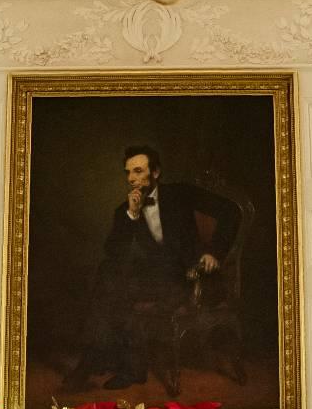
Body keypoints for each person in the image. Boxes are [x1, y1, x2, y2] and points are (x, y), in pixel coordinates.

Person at [67, 144, 242, 391]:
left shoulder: (180, 193)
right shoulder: (125, 210)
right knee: (109, 276)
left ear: (156, 172)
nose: (132, 179)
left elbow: (231, 212)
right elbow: (114, 252)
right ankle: (115, 365)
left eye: (138, 171)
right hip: (157, 278)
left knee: (114, 288)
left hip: (191, 276)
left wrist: (214, 252)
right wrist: (132, 215)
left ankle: (100, 363)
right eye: (128, 173)